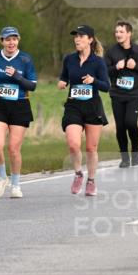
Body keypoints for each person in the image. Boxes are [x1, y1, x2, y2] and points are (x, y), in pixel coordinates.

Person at [0, 26, 38, 198]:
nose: (11, 42)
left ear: (18, 40)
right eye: (7, 39)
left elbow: (33, 85)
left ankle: (15, 185)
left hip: (20, 105)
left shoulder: (25, 59)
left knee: (13, 149)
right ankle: (2, 177)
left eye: (14, 39)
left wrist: (17, 76)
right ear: (2, 41)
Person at [58, 25, 110, 196]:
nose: (77, 39)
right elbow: (65, 76)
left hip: (92, 107)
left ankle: (91, 180)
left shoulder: (98, 62)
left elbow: (106, 86)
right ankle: (79, 173)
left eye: (81, 36)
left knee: (91, 148)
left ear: (90, 40)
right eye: (76, 36)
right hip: (73, 106)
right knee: (73, 144)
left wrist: (93, 80)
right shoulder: (69, 59)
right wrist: (62, 82)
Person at [104, 21, 138, 167]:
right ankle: (124, 158)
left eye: (121, 32)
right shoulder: (111, 52)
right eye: (116, 32)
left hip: (134, 94)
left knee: (130, 122)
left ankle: (135, 151)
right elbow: (104, 71)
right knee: (120, 127)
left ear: (129, 34)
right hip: (117, 94)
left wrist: (135, 66)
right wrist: (115, 67)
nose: (118, 34)